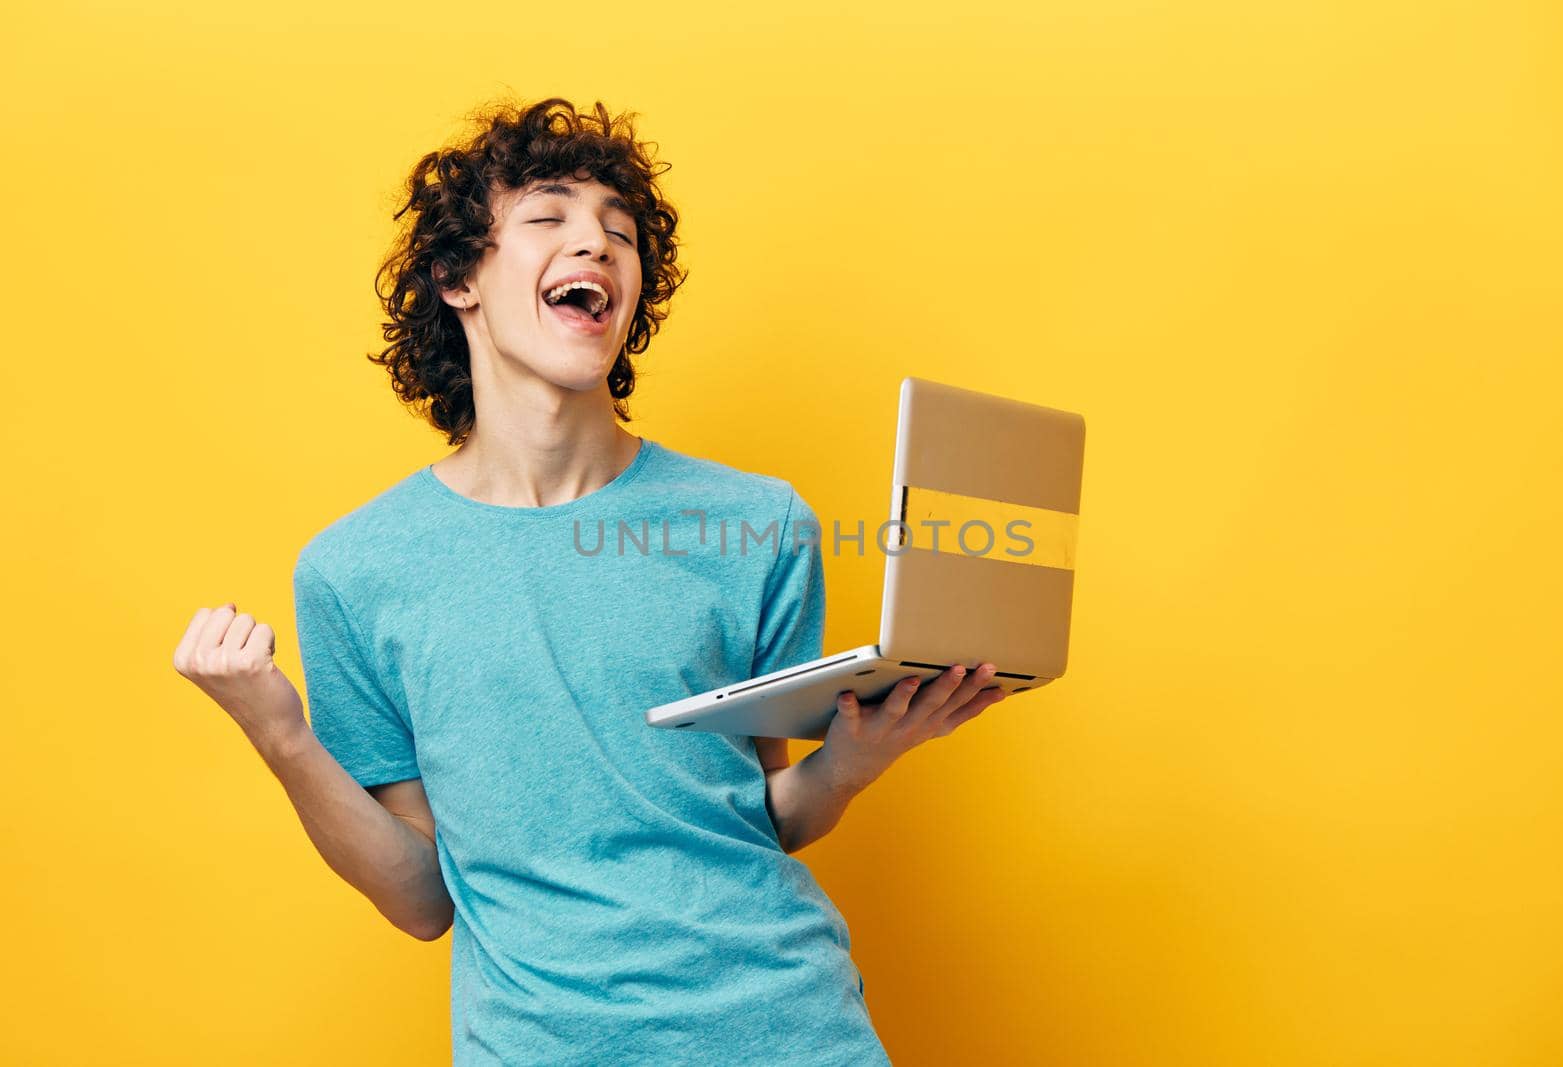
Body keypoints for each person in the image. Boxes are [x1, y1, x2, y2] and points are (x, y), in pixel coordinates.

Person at [171, 97, 1007, 1065]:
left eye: (619, 232)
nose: (597, 245)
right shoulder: (356, 569)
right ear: (457, 279)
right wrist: (276, 731)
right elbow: (420, 898)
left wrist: (855, 761)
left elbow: (762, 811)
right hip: (540, 1043)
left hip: (788, 1026)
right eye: (549, 218)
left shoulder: (757, 521)